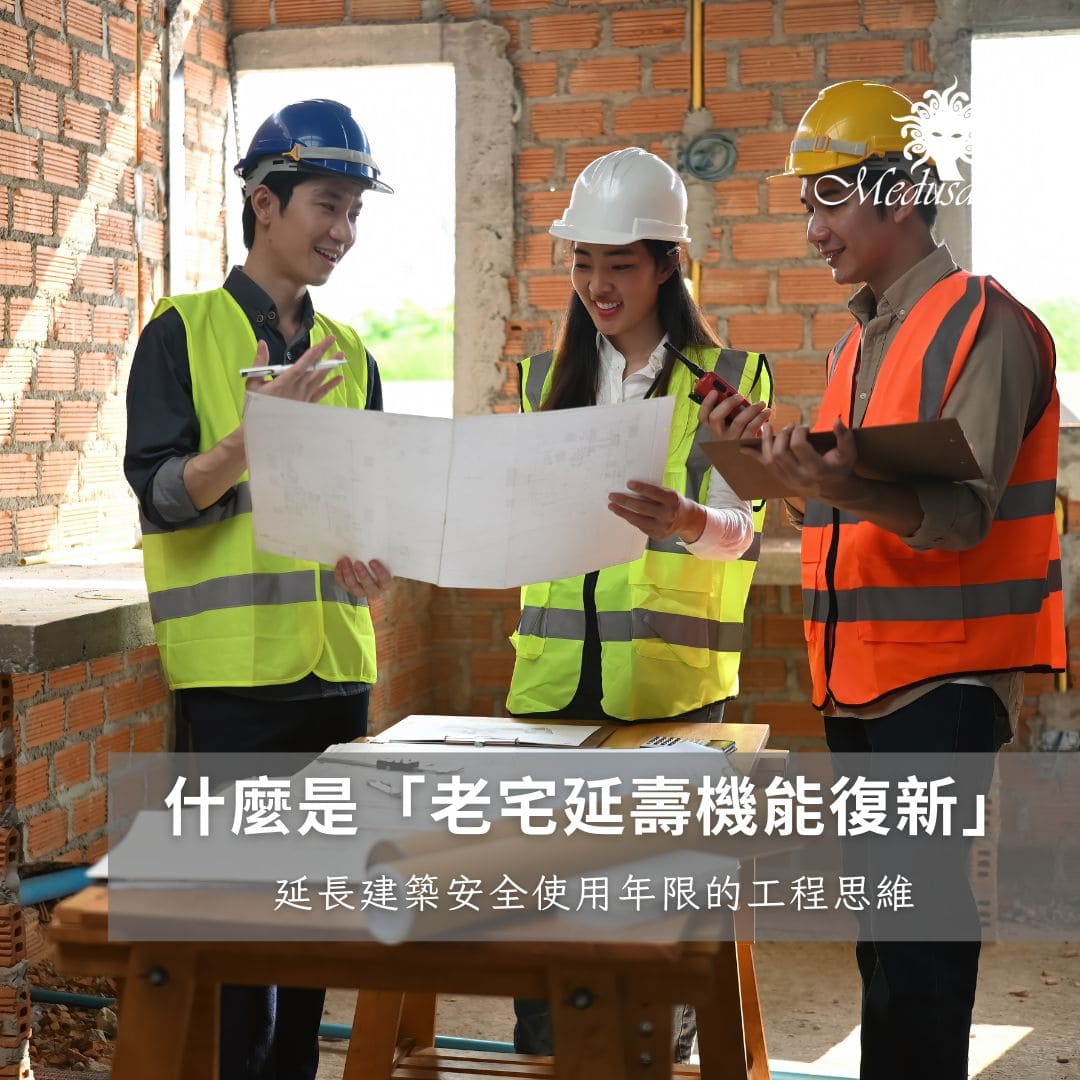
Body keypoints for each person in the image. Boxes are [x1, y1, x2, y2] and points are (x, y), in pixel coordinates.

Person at [700, 80, 1064, 1080]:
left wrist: (843, 485)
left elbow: (963, 513)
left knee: (920, 938)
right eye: (805, 203)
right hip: (861, 674)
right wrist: (782, 466)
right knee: (888, 926)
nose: (811, 227)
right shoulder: (861, 341)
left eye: (827, 198)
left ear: (900, 194)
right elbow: (844, 508)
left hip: (943, 678)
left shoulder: (982, 324)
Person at [124, 98, 394, 1080]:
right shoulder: (180, 334)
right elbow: (163, 497)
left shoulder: (354, 355)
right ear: (264, 201)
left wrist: (371, 559)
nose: (343, 231)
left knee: (316, 920)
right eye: (327, 205)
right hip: (233, 681)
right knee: (240, 926)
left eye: (354, 211)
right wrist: (247, 441)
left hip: (336, 670)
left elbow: (362, 513)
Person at [505, 146, 773, 1059]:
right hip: (553, 686)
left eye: (619, 264)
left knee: (654, 916)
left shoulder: (729, 378)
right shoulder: (544, 383)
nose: (597, 285)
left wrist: (690, 518)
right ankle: (547, 1058)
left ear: (668, 263)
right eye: (583, 262)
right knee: (546, 909)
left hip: (669, 685)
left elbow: (745, 532)